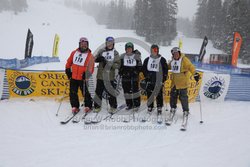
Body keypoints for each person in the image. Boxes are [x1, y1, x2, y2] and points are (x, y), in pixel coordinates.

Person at [168, 47, 200, 119]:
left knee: (183, 98)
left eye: (177, 53)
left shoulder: (184, 60)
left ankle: (185, 111)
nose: (176, 55)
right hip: (174, 83)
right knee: (173, 97)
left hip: (183, 83)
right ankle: (173, 108)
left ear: (179, 53)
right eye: (174, 54)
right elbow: (168, 66)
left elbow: (191, 66)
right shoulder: (172, 61)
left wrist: (195, 73)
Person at [65, 37, 95, 114]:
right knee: (72, 92)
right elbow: (69, 62)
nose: (84, 45)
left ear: (87, 45)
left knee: (86, 93)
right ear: (79, 44)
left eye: (85, 44)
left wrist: (87, 74)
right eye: (82, 44)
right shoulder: (74, 53)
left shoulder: (90, 55)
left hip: (83, 78)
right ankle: (75, 106)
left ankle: (88, 106)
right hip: (74, 77)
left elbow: (91, 68)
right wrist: (68, 70)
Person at [93, 36, 120, 113]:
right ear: (106, 43)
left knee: (111, 92)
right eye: (108, 43)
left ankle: (113, 107)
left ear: (113, 44)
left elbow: (117, 65)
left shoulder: (115, 53)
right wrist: (98, 58)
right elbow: (94, 58)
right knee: (98, 92)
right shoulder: (102, 51)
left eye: (111, 43)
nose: (110, 44)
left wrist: (109, 64)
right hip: (100, 76)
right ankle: (97, 106)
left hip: (110, 76)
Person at [142, 44, 168, 115]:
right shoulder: (147, 59)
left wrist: (163, 78)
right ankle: (150, 106)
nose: (154, 52)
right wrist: (146, 76)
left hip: (158, 80)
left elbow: (165, 70)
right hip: (150, 80)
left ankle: (159, 107)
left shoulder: (162, 60)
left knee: (159, 94)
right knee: (150, 94)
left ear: (158, 51)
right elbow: (144, 69)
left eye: (156, 50)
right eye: (153, 50)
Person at [119, 42, 142, 111]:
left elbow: (140, 66)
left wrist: (136, 71)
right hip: (125, 76)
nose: (129, 50)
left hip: (133, 77)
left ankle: (136, 104)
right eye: (127, 49)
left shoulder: (136, 56)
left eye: (130, 48)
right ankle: (129, 104)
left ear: (132, 49)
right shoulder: (122, 56)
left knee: (135, 91)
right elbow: (119, 66)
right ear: (125, 49)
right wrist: (121, 71)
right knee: (126, 91)